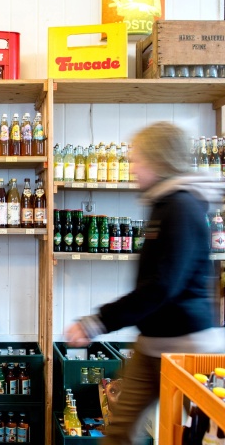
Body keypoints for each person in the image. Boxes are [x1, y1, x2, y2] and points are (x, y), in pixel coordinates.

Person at [65, 121, 225, 445]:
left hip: (185, 350)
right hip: (151, 343)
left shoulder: (181, 207)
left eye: (137, 159)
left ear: (158, 160)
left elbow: (162, 286)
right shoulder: (162, 204)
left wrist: (97, 322)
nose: (133, 167)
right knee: (119, 429)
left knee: (185, 436)